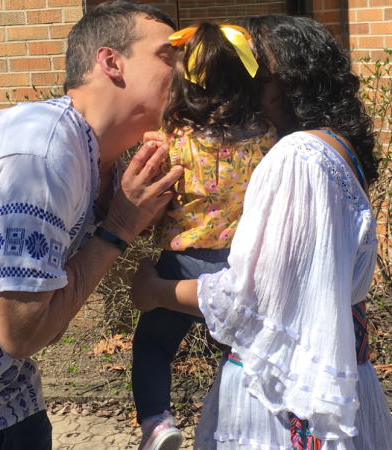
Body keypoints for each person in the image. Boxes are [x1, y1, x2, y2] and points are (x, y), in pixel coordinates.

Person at [131, 15, 392, 450]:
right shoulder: (330, 149)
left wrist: (154, 290)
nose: (247, 89)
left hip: (281, 405)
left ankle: (155, 420)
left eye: (257, 75)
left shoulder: (295, 156)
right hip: (337, 370)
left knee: (154, 344)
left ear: (286, 82)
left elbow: (250, 300)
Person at [0, 1, 182, 448]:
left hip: (9, 399)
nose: (185, 72)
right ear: (111, 62)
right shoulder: (38, 153)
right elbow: (20, 332)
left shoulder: (99, 164)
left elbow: (44, 326)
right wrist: (118, 227)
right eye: (169, 56)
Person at [131, 22, 277, 450]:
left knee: (154, 345)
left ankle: (157, 422)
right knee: (237, 354)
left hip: (180, 265)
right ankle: (241, 423)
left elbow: (151, 203)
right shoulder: (267, 139)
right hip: (239, 268)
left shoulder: (170, 142)